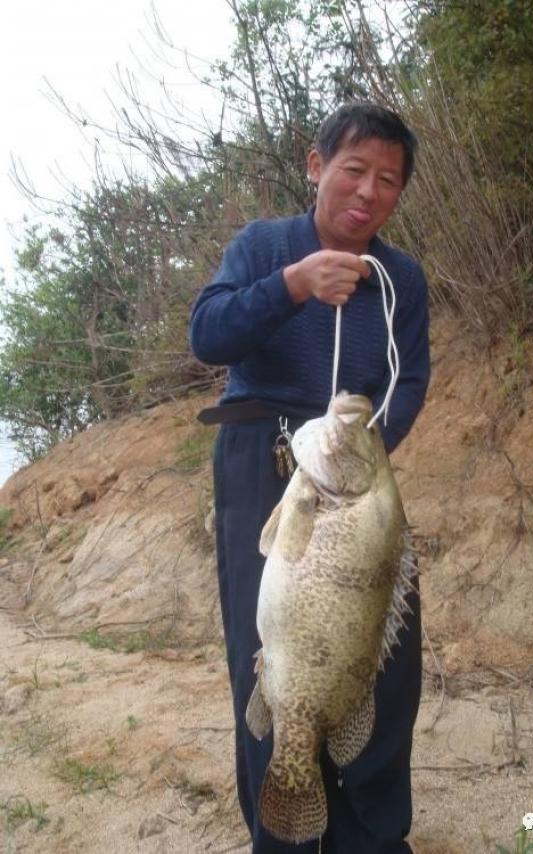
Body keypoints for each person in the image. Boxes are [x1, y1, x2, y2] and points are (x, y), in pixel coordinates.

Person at [189, 102, 430, 853]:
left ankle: (372, 836)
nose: (368, 191)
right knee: (270, 662)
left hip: (353, 475)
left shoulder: (401, 279)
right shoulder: (264, 246)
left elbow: (409, 378)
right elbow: (210, 335)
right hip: (261, 457)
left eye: (387, 180)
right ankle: (286, 834)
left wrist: (360, 454)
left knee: (383, 665)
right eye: (354, 169)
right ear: (315, 165)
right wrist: (291, 284)